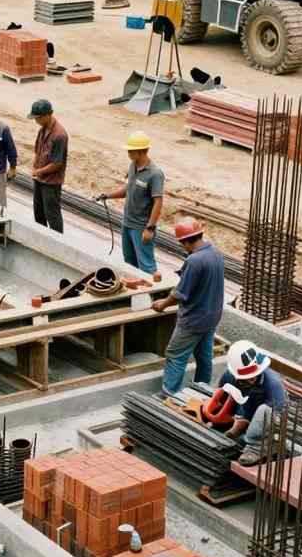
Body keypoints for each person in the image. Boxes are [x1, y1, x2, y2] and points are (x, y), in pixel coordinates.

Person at [151, 218, 225, 396]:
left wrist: (162, 304)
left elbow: (180, 294)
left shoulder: (195, 261)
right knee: (204, 356)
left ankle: (168, 395)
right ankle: (202, 391)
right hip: (212, 316)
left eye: (181, 243)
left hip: (193, 320)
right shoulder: (215, 253)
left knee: (175, 356)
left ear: (186, 241)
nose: (182, 246)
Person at [98, 132, 164, 275]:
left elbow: (158, 202)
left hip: (141, 228)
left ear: (141, 151)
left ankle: (154, 294)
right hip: (127, 224)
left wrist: (150, 228)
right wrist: (108, 196)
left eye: (131, 150)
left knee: (146, 266)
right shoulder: (132, 166)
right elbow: (128, 189)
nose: (128, 153)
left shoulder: (155, 173)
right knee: (129, 263)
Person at [216, 340, 288, 466]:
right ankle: (243, 431)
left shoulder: (273, 384)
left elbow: (276, 413)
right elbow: (221, 399)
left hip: (266, 421)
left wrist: (250, 427)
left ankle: (257, 448)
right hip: (244, 413)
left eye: (253, 375)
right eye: (246, 377)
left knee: (264, 412)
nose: (251, 378)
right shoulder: (229, 376)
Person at [29, 99, 68, 233]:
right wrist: (35, 168)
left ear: (48, 115)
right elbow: (37, 151)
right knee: (38, 213)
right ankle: (42, 238)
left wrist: (39, 171)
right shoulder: (42, 130)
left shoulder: (59, 135)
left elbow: (57, 164)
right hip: (39, 179)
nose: (36, 121)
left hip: (51, 183)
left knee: (52, 215)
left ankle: (57, 241)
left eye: (38, 118)